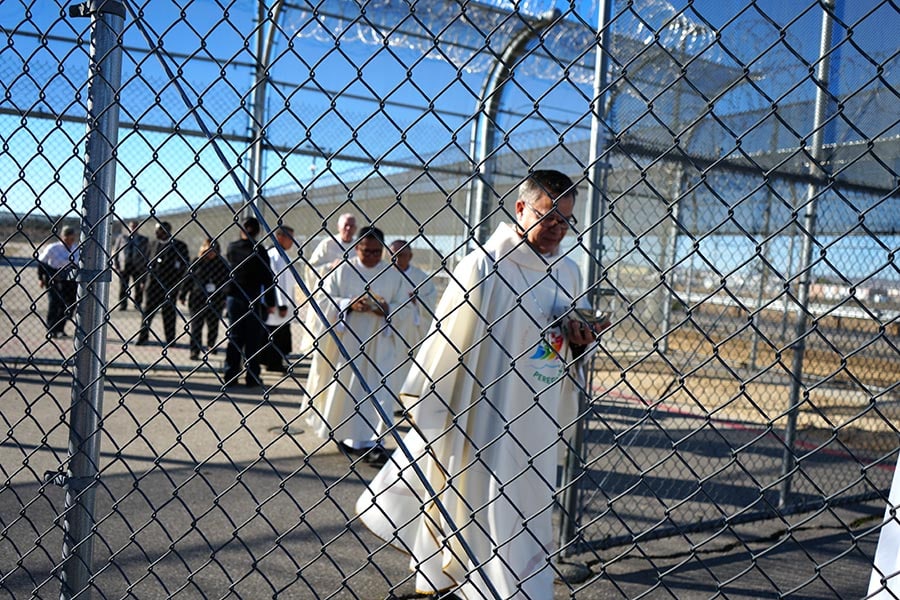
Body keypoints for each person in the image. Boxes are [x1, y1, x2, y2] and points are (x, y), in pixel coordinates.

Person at [356, 170, 610, 599]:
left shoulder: (567, 271)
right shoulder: (484, 266)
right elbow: (447, 346)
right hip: (484, 418)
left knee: (527, 506)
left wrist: (580, 337)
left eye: (566, 221)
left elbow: (565, 336)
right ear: (520, 209)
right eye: (548, 217)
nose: (557, 230)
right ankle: (466, 586)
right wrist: (434, 413)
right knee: (473, 499)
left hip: (536, 418)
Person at [304, 226, 416, 466]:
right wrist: (347, 304)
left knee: (378, 390)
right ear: (357, 248)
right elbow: (322, 299)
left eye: (377, 252)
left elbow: (405, 309)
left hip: (379, 344)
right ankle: (348, 438)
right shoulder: (343, 270)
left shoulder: (391, 274)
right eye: (367, 251)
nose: (372, 257)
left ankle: (374, 442)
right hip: (349, 344)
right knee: (347, 389)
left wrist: (385, 308)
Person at [223, 217, 276, 388]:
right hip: (252, 297)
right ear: (258, 231)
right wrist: (270, 301)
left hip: (235, 296)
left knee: (235, 336)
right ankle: (252, 377)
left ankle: (230, 375)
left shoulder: (232, 248)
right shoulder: (259, 250)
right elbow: (268, 278)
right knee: (252, 339)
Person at [386, 239, 437, 413]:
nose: (396, 259)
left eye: (401, 255)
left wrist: (417, 300)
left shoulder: (420, 277)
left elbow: (431, 301)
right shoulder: (384, 274)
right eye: (392, 254)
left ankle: (409, 403)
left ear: (410, 256)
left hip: (412, 332)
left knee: (410, 365)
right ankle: (389, 403)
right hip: (390, 330)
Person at [136, 222, 190, 346]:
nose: (156, 233)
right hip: (152, 285)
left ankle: (170, 340)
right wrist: (143, 281)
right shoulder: (152, 244)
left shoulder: (179, 246)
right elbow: (145, 264)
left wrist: (178, 284)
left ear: (167, 231)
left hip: (170, 286)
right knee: (147, 312)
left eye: (159, 230)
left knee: (169, 313)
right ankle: (143, 337)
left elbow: (184, 266)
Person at [179, 238, 230, 360]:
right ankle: (194, 350)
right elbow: (187, 279)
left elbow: (227, 281)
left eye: (214, 250)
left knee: (213, 324)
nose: (211, 253)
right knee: (196, 325)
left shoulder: (222, 264)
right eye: (209, 250)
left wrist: (225, 296)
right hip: (197, 298)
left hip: (216, 298)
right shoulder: (197, 262)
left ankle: (211, 344)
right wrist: (182, 294)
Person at [261, 225, 298, 372]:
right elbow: (276, 282)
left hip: (283, 302)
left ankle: (274, 361)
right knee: (275, 333)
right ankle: (273, 363)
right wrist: (282, 305)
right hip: (277, 304)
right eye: (290, 238)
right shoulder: (274, 256)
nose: (292, 242)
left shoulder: (282, 255)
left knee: (279, 333)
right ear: (279, 237)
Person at [36, 226, 80, 338]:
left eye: (72, 239)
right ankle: (51, 329)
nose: (70, 242)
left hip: (70, 280)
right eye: (67, 239)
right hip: (54, 278)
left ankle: (60, 328)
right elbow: (41, 263)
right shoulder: (53, 248)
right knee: (54, 304)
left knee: (69, 305)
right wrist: (41, 278)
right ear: (61, 237)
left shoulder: (76, 249)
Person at [112, 220, 149, 311]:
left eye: (135, 226)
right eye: (132, 226)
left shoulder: (143, 239)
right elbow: (116, 251)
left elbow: (147, 253)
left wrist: (145, 266)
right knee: (123, 286)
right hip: (125, 265)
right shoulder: (122, 237)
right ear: (129, 227)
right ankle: (123, 304)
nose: (133, 228)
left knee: (138, 286)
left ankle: (137, 304)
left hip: (138, 266)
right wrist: (116, 264)